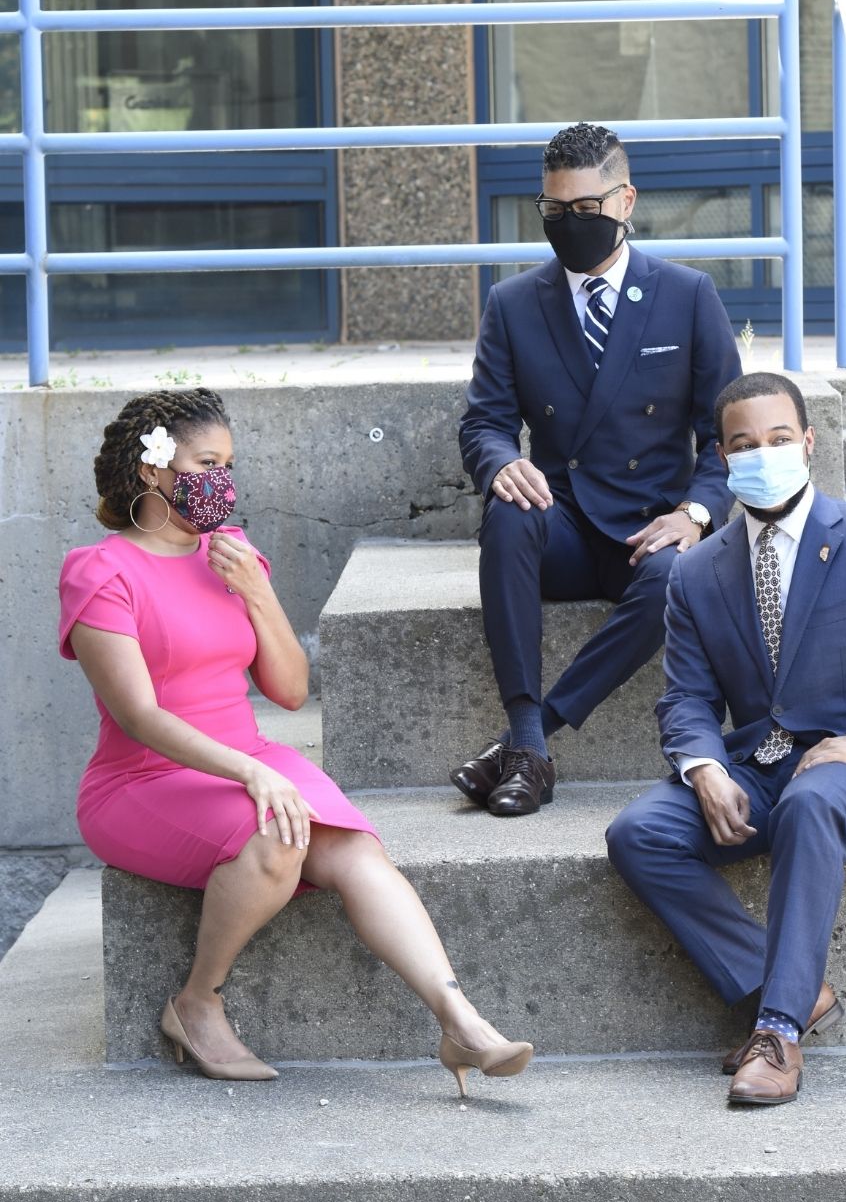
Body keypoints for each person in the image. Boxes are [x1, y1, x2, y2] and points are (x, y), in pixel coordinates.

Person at [59, 388, 533, 1095]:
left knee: (352, 846)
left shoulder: (233, 554)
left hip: (248, 757)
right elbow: (139, 715)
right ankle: (197, 1003)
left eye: (230, 464)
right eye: (207, 462)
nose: (223, 480)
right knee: (280, 835)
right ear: (153, 469)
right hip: (141, 782)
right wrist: (249, 775)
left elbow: (286, 688)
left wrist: (255, 591)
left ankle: (459, 1022)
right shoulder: (101, 571)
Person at [606, 372, 846, 1107]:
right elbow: (685, 696)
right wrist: (703, 768)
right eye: (744, 444)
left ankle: (776, 1032)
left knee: (811, 803)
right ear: (721, 457)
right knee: (638, 832)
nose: (763, 453)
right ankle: (791, 988)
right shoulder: (696, 571)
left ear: (808, 444)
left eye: (779, 439)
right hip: (756, 766)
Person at [456, 121, 742, 817]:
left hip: (649, 526)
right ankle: (529, 738)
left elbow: (727, 433)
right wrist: (500, 464)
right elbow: (484, 421)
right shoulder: (514, 303)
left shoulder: (686, 294)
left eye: (585, 209)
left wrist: (695, 513)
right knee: (507, 512)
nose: (569, 224)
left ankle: (528, 742)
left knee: (677, 575)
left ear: (625, 201)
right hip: (562, 526)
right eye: (554, 212)